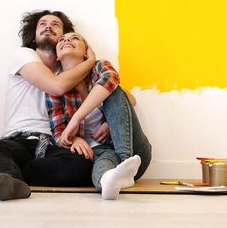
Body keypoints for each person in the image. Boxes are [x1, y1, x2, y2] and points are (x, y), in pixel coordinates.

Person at [0, 10, 98, 201]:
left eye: (55, 24)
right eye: (42, 24)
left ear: (63, 37)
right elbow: (56, 86)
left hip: (54, 143)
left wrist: (76, 136)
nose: (48, 26)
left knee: (83, 165)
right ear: (34, 36)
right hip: (18, 140)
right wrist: (90, 61)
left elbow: (119, 97)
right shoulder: (24, 55)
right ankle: (7, 179)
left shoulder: (72, 68)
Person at [47, 32, 152, 200]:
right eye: (61, 39)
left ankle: (126, 164)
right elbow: (58, 134)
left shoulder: (99, 66)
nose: (66, 40)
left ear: (86, 52)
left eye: (74, 38)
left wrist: (83, 119)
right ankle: (113, 181)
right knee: (105, 171)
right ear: (57, 56)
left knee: (114, 89)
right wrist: (73, 140)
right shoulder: (55, 87)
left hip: (134, 152)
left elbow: (118, 88)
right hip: (98, 153)